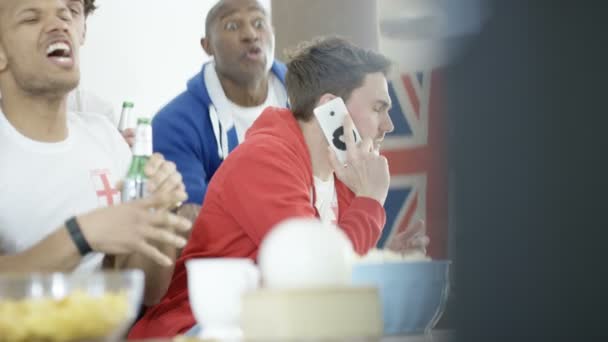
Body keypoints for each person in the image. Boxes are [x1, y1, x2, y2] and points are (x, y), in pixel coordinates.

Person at [129, 36, 395, 339]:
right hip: (196, 329)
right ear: (330, 110)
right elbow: (315, 279)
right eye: (378, 108)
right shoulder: (265, 160)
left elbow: (342, 285)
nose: (388, 124)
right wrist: (371, 202)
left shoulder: (344, 177)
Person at [0, 0, 190, 306]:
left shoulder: (105, 138)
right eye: (32, 18)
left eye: (67, 14)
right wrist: (81, 235)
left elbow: (148, 293)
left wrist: (160, 210)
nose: (59, 24)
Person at [152, 0, 288, 222]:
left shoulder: (311, 99)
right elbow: (193, 217)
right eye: (233, 26)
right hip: (228, 254)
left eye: (258, 23)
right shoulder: (174, 124)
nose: (250, 35)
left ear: (272, 33)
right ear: (208, 46)